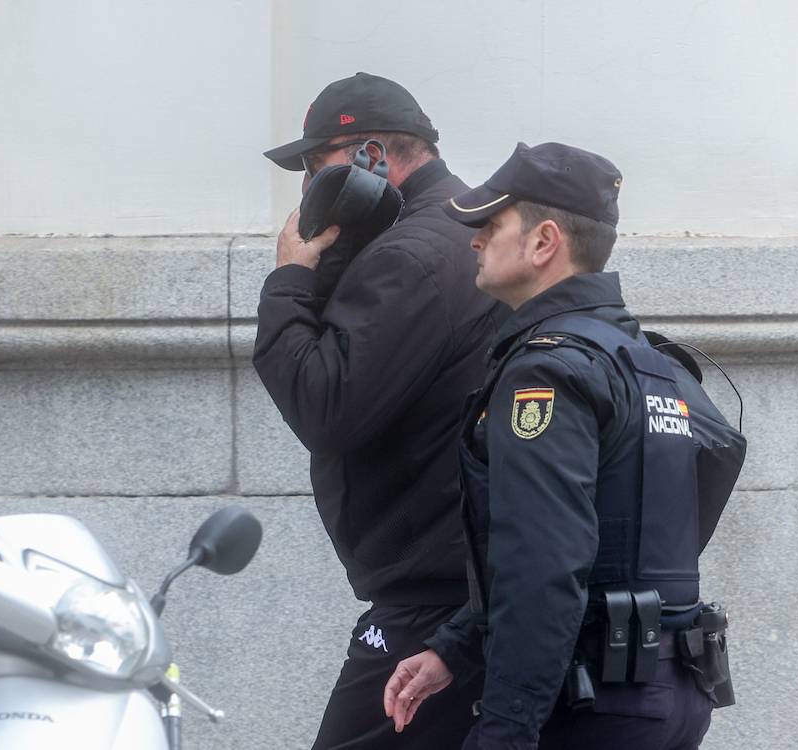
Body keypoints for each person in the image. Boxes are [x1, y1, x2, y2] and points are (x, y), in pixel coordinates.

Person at [380, 142, 746, 750]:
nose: (475, 240)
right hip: (668, 692)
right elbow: (633, 533)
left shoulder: (547, 374)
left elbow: (543, 567)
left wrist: (504, 730)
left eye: (491, 225)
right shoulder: (650, 363)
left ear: (544, 242)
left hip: (592, 707)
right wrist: (455, 647)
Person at [254, 72, 496, 749]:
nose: (306, 190)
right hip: (459, 585)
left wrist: (292, 276)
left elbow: (324, 406)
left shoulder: (410, 255)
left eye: (313, 166)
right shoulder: (453, 229)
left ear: (372, 159)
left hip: (433, 597)